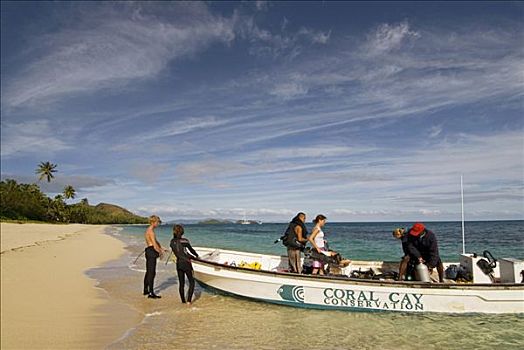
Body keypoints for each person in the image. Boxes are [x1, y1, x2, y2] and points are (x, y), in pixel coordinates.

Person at [170, 224, 199, 305]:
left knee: (181, 283)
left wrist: (189, 255)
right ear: (182, 232)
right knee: (192, 282)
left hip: (179, 264)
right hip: (186, 263)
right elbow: (191, 250)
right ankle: (189, 301)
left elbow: (179, 253)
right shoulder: (185, 241)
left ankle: (183, 301)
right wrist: (196, 256)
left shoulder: (171, 242)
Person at [143, 215, 165, 298]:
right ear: (153, 222)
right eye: (157, 222)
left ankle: (145, 290)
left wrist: (162, 248)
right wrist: (160, 253)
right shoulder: (151, 232)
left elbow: (156, 242)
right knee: (152, 273)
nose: (158, 224)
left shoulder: (148, 230)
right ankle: (151, 293)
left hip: (149, 250)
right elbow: (154, 245)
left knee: (148, 272)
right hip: (151, 251)